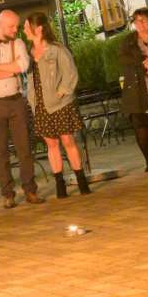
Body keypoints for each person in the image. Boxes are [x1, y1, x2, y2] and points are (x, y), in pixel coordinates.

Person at [0, 10, 44, 207]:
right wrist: (10, 67)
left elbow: (23, 66)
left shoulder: (18, 43)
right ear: (1, 24)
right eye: (12, 26)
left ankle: (30, 190)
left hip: (16, 101)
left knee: (25, 148)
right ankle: (8, 194)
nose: (15, 30)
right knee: (0, 152)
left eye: (16, 26)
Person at [23, 12, 90, 197]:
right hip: (40, 106)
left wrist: (62, 91)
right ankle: (60, 184)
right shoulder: (27, 54)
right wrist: (31, 100)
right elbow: (28, 80)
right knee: (51, 144)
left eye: (27, 27)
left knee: (68, 140)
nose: (24, 30)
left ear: (38, 28)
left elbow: (71, 73)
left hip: (60, 104)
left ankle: (81, 180)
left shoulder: (57, 49)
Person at [119, 7, 148, 172]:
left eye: (143, 20)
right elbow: (124, 59)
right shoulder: (128, 42)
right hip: (138, 92)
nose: (139, 23)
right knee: (142, 128)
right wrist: (144, 61)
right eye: (136, 20)